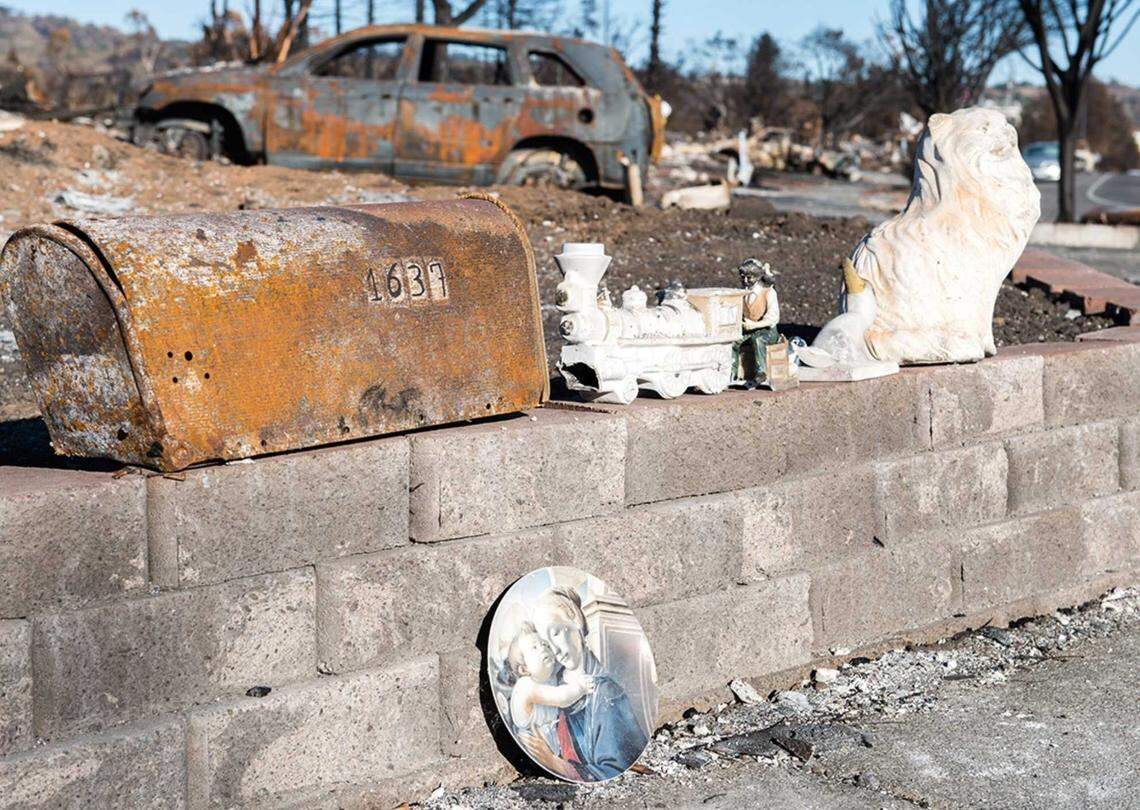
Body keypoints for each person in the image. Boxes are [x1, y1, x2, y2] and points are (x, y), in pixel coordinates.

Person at [531, 585, 648, 781]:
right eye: (546, 643)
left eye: (556, 634)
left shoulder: (606, 693)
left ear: (575, 619)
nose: (556, 650)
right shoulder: (556, 686)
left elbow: (615, 766)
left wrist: (556, 764)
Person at [504, 623, 596, 758]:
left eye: (545, 645)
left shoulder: (547, 676)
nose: (543, 649)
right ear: (524, 669)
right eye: (534, 648)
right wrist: (580, 688)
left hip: (553, 743)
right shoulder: (526, 687)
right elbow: (561, 698)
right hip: (531, 749)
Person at [732, 257, 782, 386]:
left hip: (767, 331)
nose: (746, 281)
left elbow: (773, 318)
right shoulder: (743, 293)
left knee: (758, 339)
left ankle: (761, 372)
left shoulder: (769, 293)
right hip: (749, 328)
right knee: (733, 341)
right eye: (743, 277)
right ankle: (731, 373)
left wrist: (755, 324)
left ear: (758, 277)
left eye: (749, 278)